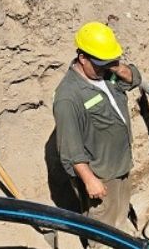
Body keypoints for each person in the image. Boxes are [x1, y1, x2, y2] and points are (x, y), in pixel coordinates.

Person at [53, 21, 142, 247]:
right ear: (82, 58)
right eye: (100, 63)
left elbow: (135, 79)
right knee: (102, 229)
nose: (105, 68)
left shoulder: (104, 74)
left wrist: (114, 66)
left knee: (119, 215)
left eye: (108, 62)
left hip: (120, 164)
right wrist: (90, 180)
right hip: (101, 175)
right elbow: (70, 149)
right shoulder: (68, 97)